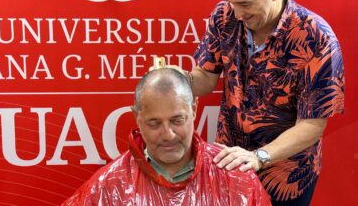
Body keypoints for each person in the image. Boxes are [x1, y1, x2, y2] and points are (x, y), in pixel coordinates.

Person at [187, 0, 345, 205]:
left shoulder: (316, 38)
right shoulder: (223, 15)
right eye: (232, 3)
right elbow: (206, 78)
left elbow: (312, 125)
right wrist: (179, 81)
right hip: (229, 162)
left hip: (286, 175)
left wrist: (259, 157)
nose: (238, 14)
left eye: (246, 4)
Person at [62, 68, 271, 205]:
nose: (168, 134)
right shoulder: (109, 185)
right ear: (137, 117)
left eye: (177, 120)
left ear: (194, 109)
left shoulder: (234, 177)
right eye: (154, 123)